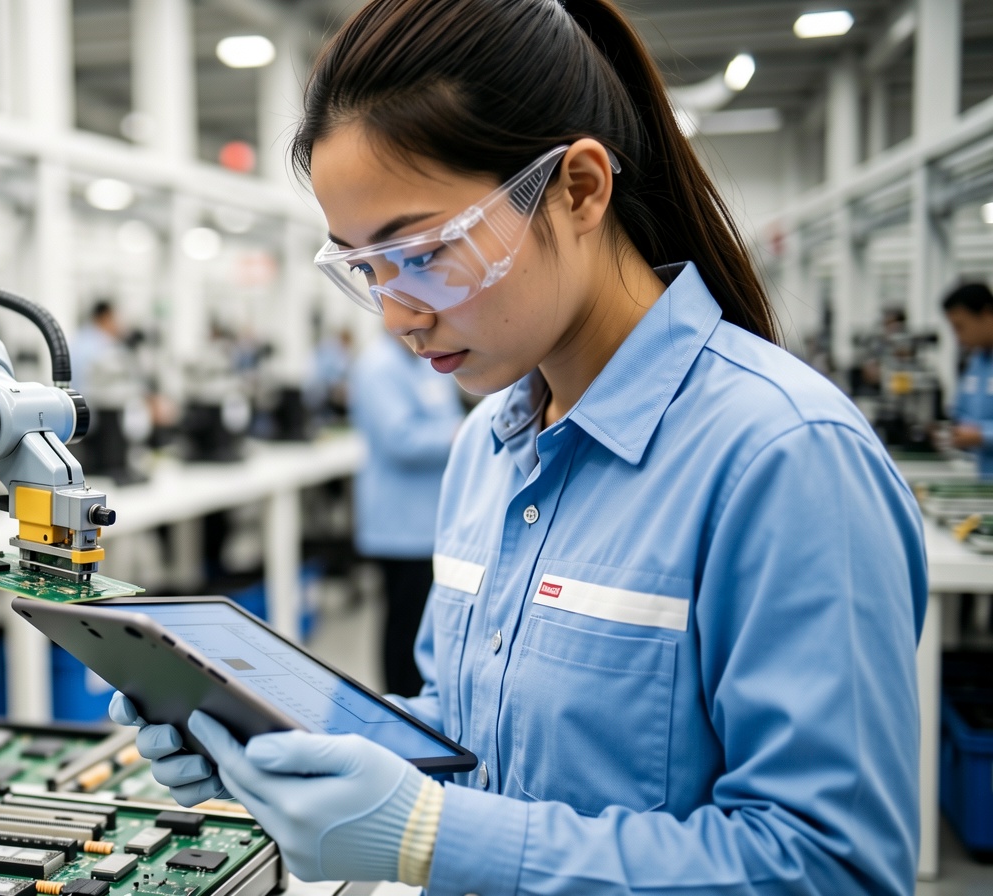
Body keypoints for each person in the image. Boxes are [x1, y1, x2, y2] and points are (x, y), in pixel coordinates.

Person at [110, 1, 926, 893]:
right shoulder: (485, 449)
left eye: (424, 252)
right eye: (365, 269)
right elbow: (474, 734)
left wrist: (431, 835)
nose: (397, 315)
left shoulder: (784, 459)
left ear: (579, 189)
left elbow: (832, 866)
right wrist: (287, 741)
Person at [349, 332, 463, 696]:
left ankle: (420, 699)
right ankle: (398, 704)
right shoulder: (377, 366)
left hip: (433, 522)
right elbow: (401, 440)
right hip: (398, 525)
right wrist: (460, 434)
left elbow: (448, 413)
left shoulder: (428, 363)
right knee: (405, 625)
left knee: (426, 623)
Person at [943, 282, 993, 476]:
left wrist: (982, 435)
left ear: (987, 314)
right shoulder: (976, 363)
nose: (958, 338)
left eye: (960, 327)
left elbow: (977, 433)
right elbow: (960, 411)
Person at [69, 300, 124, 397]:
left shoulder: (81, 338)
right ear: (105, 318)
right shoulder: (101, 344)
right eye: (114, 319)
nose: (117, 325)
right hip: (91, 401)